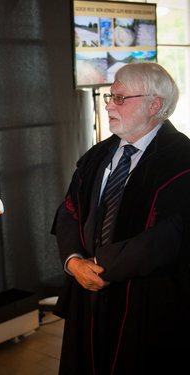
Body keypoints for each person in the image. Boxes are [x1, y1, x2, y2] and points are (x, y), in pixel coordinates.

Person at [52, 62, 190, 374]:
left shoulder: (182, 160)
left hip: (146, 301)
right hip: (87, 293)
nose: (111, 106)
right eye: (110, 97)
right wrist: (74, 261)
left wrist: (100, 266)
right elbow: (68, 210)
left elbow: (170, 236)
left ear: (155, 104)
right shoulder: (97, 155)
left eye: (121, 98)